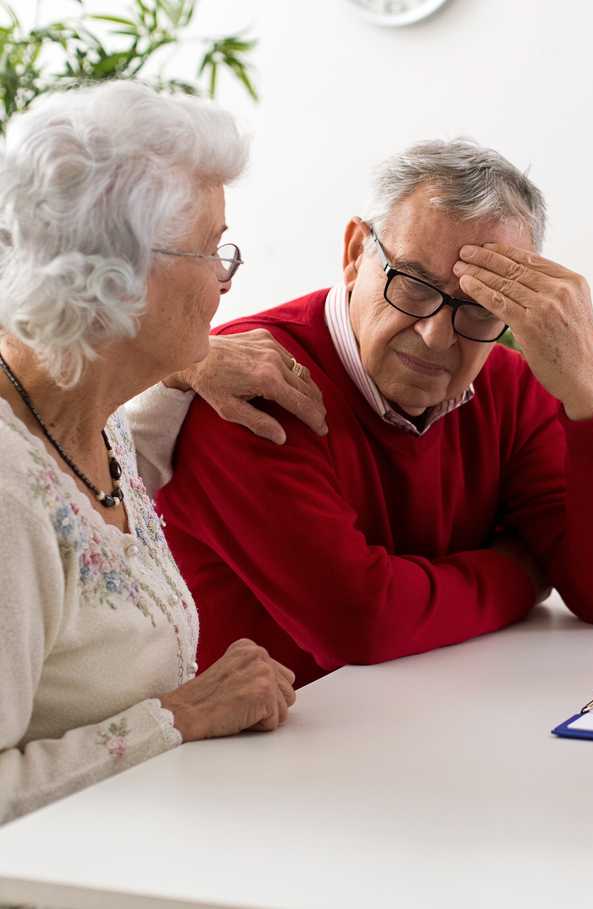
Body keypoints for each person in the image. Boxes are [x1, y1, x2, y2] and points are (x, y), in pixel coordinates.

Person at [131, 139, 593, 688]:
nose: (436, 334)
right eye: (412, 285)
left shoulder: (511, 385)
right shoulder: (251, 381)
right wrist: (523, 570)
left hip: (429, 725)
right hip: (245, 758)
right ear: (354, 254)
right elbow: (358, 621)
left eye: (479, 305)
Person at [0, 81, 297, 824]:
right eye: (211, 249)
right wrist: (177, 717)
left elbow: (95, 513)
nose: (227, 278)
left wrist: (184, 379)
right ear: (120, 274)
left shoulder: (94, 418)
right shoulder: (7, 496)